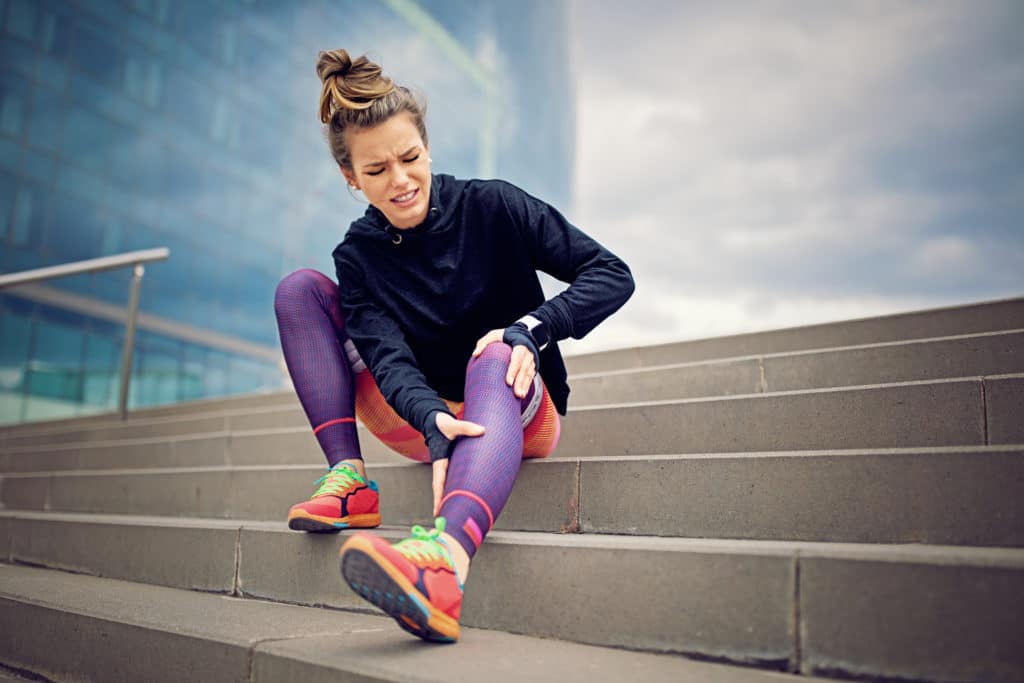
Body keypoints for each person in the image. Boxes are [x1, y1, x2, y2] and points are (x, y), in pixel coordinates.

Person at [273, 49, 634, 643]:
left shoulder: (493, 206)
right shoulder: (357, 255)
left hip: (512, 405)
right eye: (376, 171)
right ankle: (349, 481)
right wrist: (429, 417)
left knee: (492, 352)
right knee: (300, 291)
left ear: (428, 147)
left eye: (410, 158)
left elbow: (611, 273)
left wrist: (533, 328)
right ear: (350, 178)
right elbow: (384, 354)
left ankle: (444, 561)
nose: (401, 181)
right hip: (425, 419)